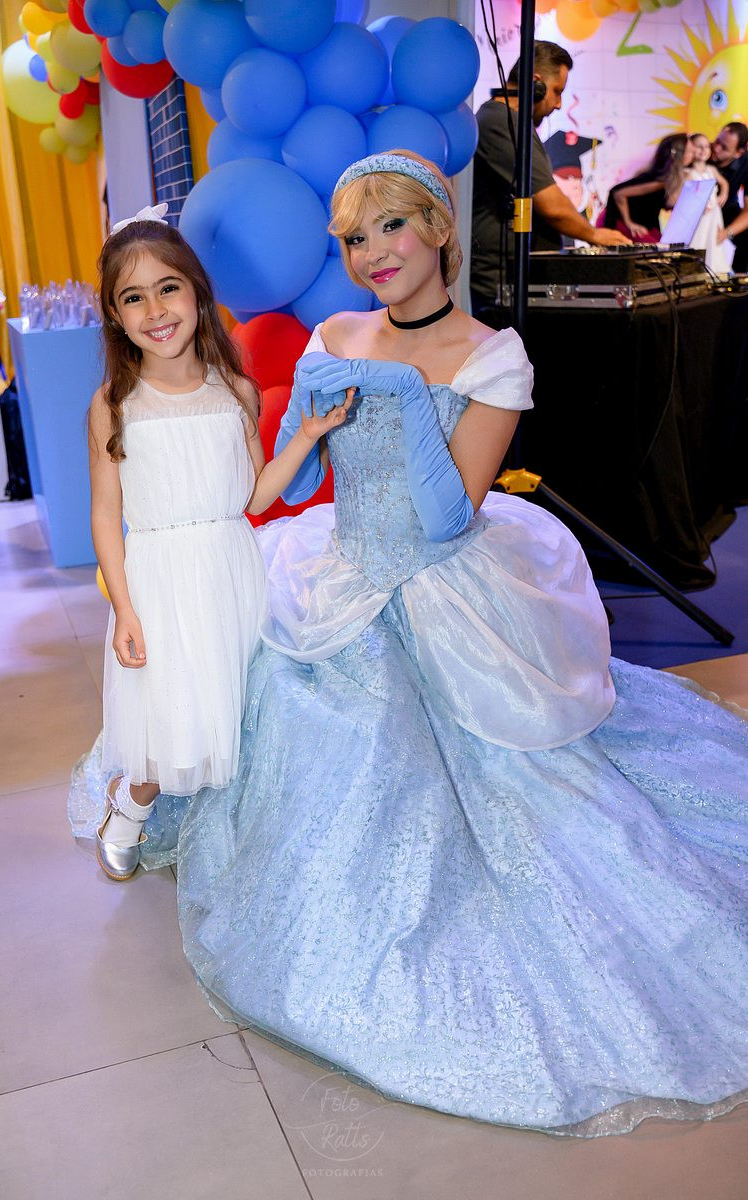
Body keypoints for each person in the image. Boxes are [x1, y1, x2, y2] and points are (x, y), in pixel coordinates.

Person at [159, 151, 748, 1136]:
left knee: (520, 780)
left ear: (439, 227)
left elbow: (446, 516)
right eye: (355, 238)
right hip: (338, 568)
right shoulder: (334, 334)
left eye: (392, 225)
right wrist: (298, 431)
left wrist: (397, 397)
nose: (373, 253)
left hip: (444, 581)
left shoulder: (494, 357)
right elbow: (299, 484)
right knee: (282, 702)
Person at [81, 207, 348, 881]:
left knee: (229, 708)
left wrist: (305, 437)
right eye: (133, 298)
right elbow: (107, 514)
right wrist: (125, 608)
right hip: (159, 579)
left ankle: (237, 839)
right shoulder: (114, 404)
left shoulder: (235, 392)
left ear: (197, 292)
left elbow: (252, 499)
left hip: (229, 570)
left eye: (168, 288)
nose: (155, 310)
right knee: (166, 719)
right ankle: (129, 807)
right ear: (115, 315)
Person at [471, 40, 629, 314]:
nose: (558, 104)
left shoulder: (511, 122)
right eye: (557, 92)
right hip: (499, 284)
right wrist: (595, 235)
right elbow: (552, 206)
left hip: (514, 279)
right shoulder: (500, 122)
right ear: (536, 84)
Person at [602, 133, 691, 241]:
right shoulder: (657, 181)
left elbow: (668, 204)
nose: (693, 155)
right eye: (689, 151)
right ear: (680, 155)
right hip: (625, 224)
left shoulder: (669, 179)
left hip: (647, 223)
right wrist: (629, 223)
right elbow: (618, 193)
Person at [686, 132, 732, 274]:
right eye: (699, 146)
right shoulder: (688, 172)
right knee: (699, 240)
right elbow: (687, 197)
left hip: (714, 214)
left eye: (706, 146)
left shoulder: (711, 170)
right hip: (699, 216)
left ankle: (713, 269)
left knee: (713, 241)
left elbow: (724, 183)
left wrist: (723, 194)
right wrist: (698, 205)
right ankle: (697, 270)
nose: (704, 150)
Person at [711, 121, 748, 270]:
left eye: (724, 148)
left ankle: (739, 281)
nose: (716, 148)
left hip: (726, 208)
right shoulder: (703, 150)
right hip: (697, 209)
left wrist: (726, 233)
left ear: (738, 153)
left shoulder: (746, 164)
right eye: (717, 141)